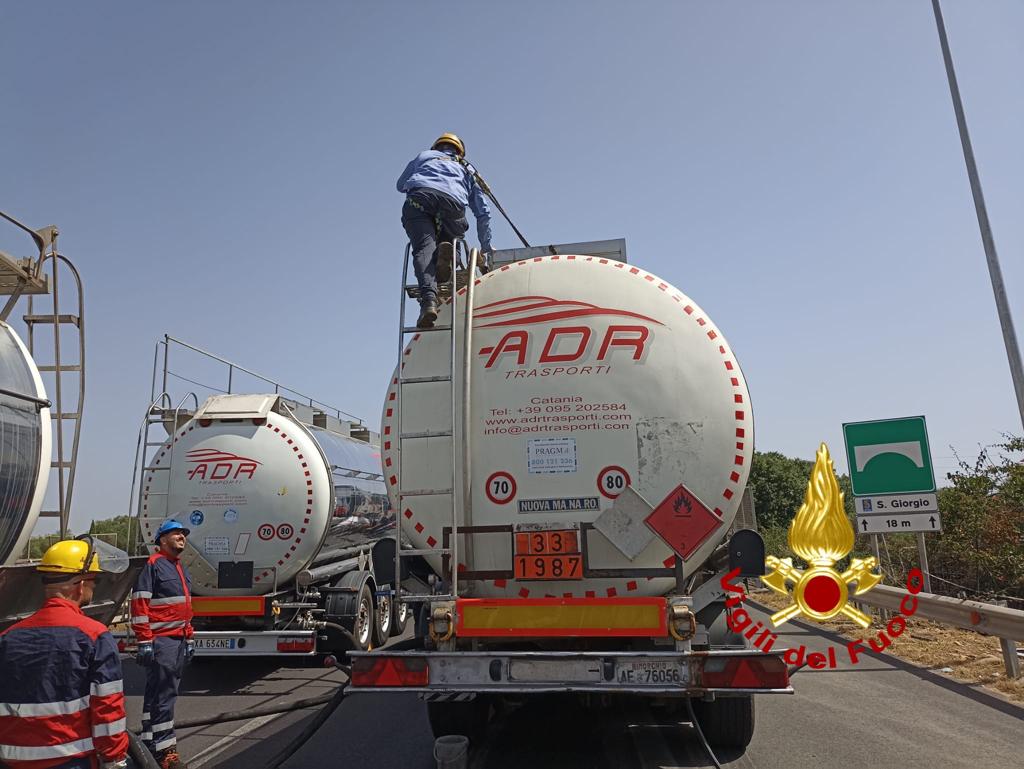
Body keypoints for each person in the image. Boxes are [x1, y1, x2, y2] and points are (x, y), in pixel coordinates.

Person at [0, 539, 129, 769]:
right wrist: (115, 758)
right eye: (94, 580)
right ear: (80, 585)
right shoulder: (94, 636)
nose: (94, 586)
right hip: (69, 760)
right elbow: (107, 707)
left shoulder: (7, 637)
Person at [397, 132, 493, 328]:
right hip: (452, 205)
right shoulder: (467, 169)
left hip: (419, 200)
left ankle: (429, 302)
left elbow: (400, 185)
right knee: (453, 239)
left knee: (424, 248)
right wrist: (486, 246)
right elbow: (483, 213)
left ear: (436, 147)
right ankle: (448, 257)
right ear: (460, 152)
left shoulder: (424, 156)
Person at [131, 520, 195, 769]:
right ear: (162, 539)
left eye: (183, 534)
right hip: (162, 642)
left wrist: (189, 636)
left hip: (177, 639)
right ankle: (165, 752)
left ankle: (148, 743)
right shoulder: (153, 566)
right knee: (165, 696)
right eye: (176, 533)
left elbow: (186, 607)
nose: (182, 537)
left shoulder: (179, 568)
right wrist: (144, 640)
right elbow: (139, 604)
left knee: (156, 694)